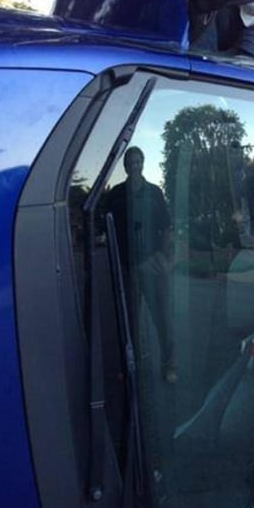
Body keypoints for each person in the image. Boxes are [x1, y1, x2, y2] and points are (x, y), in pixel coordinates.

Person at [103, 146, 177, 383]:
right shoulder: (116, 194)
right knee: (130, 323)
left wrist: (165, 258)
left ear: (143, 163)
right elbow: (106, 227)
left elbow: (166, 227)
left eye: (138, 161)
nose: (134, 165)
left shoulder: (154, 192)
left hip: (152, 266)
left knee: (161, 319)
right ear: (125, 166)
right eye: (130, 162)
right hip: (127, 268)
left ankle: (169, 365)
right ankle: (132, 370)